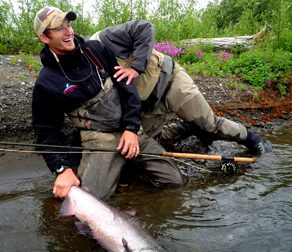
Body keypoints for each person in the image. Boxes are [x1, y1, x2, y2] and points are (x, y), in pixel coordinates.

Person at [32, 7, 184, 199]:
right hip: (98, 139)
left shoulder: (96, 49)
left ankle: (123, 168)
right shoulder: (46, 82)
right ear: (45, 37)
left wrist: (131, 128)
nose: (69, 31)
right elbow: (45, 132)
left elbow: (127, 89)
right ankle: (94, 167)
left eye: (68, 25)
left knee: (174, 181)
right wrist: (62, 169)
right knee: (90, 202)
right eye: (59, 28)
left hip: (130, 133)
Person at [88, 20, 273, 154]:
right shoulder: (80, 73)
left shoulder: (104, 39)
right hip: (146, 106)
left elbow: (145, 28)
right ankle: (187, 128)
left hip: (170, 82)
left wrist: (136, 68)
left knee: (209, 125)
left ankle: (253, 139)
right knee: (149, 143)